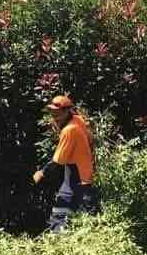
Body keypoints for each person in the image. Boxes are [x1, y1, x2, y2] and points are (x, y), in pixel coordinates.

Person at [32, 95, 99, 232]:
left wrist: (41, 173)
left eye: (58, 113)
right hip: (80, 174)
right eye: (52, 112)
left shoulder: (69, 130)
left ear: (67, 111)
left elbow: (57, 163)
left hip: (78, 178)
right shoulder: (77, 120)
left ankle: (58, 240)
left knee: (64, 218)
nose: (54, 116)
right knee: (80, 218)